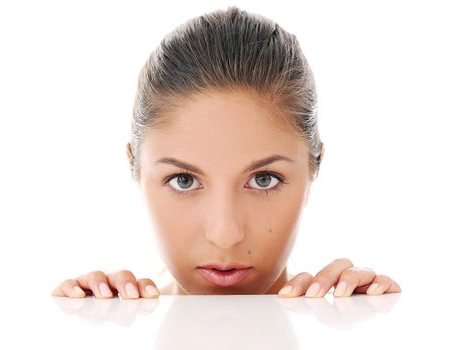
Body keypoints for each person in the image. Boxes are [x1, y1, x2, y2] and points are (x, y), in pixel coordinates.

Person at [51, 6, 401, 299]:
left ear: (314, 166)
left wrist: (373, 321)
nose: (224, 234)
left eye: (264, 180)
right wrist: (81, 323)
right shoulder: (104, 318)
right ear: (135, 168)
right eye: (184, 180)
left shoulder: (349, 317)